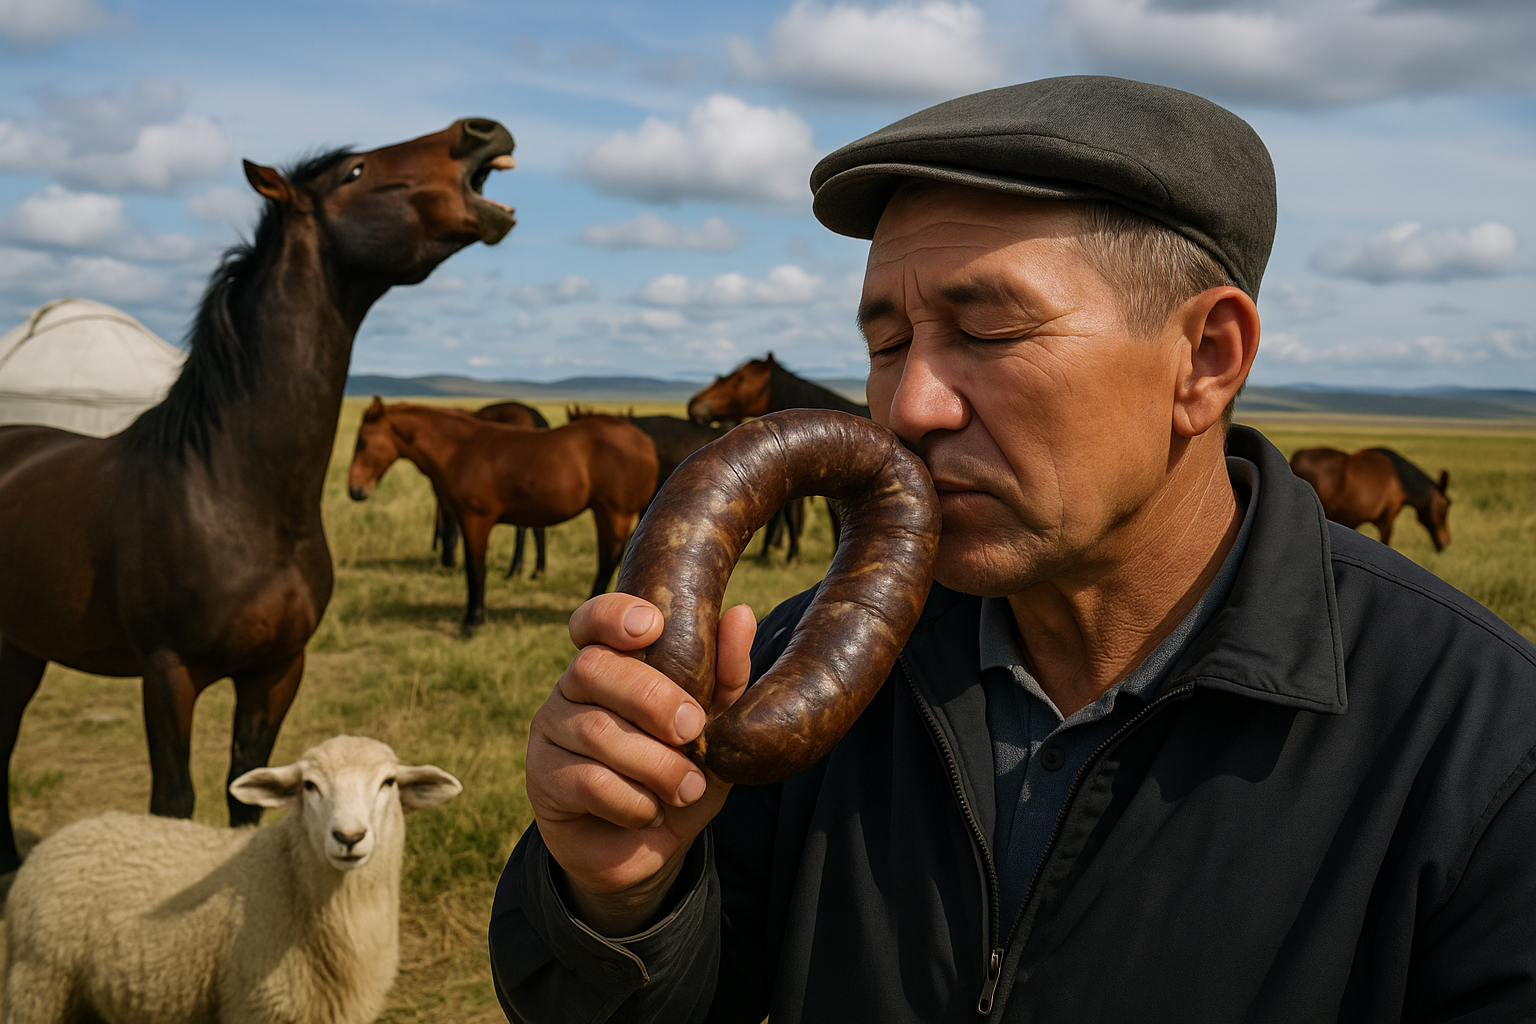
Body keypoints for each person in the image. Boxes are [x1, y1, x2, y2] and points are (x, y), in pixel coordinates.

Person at [488, 77, 1536, 1022]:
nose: (910, 404)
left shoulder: (1483, 752)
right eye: (885, 342)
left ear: (1206, 360)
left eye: (987, 333)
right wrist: (620, 899)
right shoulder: (789, 670)